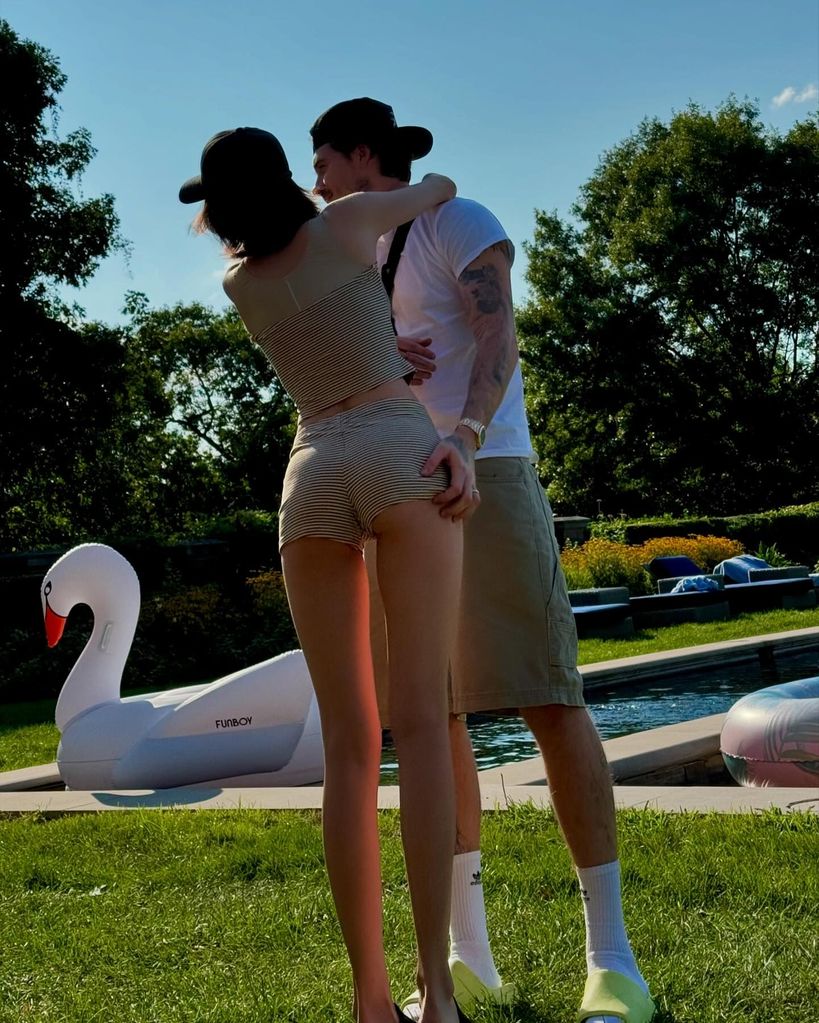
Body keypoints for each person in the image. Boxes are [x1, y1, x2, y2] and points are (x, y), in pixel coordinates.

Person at [310, 98, 656, 1023]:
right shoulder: (350, 252)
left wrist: (463, 429)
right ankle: (466, 957)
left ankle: (613, 963)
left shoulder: (455, 220)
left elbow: (499, 332)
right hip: (395, 487)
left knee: (547, 694)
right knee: (436, 713)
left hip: (485, 468)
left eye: (324, 160)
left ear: (361, 153)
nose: (316, 181)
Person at [179, 126, 477, 1023]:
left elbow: (330, 341)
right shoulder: (348, 225)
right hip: (395, 449)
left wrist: (384, 343)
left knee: (348, 748)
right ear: (284, 178)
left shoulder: (239, 283)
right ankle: (437, 992)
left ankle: (369, 999)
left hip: (309, 476)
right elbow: (439, 187)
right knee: (420, 724)